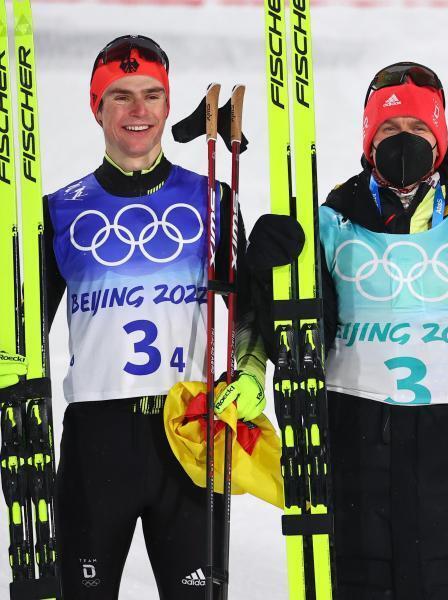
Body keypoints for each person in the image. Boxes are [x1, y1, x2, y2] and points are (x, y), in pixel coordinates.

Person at [0, 35, 270, 598]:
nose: (138, 109)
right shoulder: (59, 211)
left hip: (189, 430)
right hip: (97, 440)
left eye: (152, 94)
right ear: (96, 107)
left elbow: (248, 311)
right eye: (120, 96)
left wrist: (249, 371)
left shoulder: (213, 199)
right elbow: (24, 334)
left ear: (168, 106)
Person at [248, 62, 448, 599]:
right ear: (368, 141)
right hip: (355, 433)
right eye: (390, 130)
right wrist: (269, 277)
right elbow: (301, 348)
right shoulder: (328, 223)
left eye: (419, 129)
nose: (405, 141)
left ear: (440, 138)